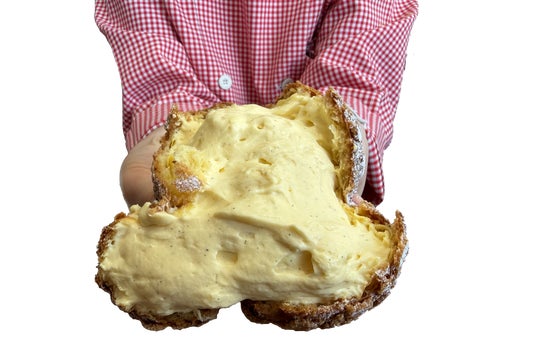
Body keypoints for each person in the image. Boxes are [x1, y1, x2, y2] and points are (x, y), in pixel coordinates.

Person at [95, 0, 418, 207]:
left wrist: (343, 142)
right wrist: (166, 136)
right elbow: (156, 67)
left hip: (313, 205)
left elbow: (355, 63)